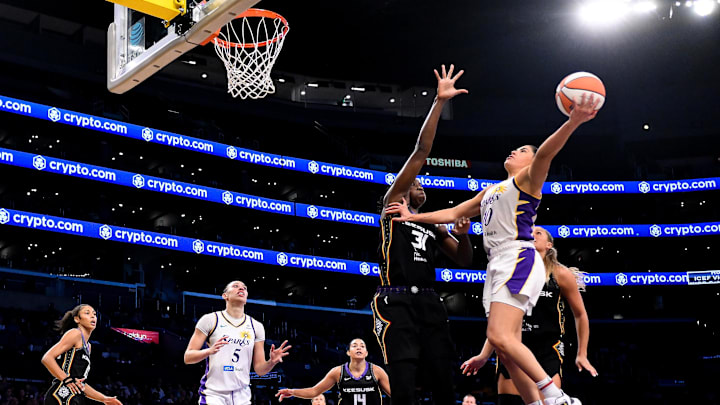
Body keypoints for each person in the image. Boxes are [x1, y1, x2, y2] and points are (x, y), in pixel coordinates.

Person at [386, 94, 600, 405]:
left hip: (518, 256)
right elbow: (454, 212)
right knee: (505, 346)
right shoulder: (491, 190)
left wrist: (573, 121)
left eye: (523, 150)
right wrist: (411, 216)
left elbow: (547, 154)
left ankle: (555, 396)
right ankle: (537, 403)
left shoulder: (528, 180)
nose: (515, 151)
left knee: (499, 337)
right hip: (498, 262)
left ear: (530, 161)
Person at [373, 64, 473, 405]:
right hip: (395, 299)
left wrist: (465, 234)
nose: (420, 183)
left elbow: (463, 259)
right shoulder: (391, 207)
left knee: (445, 382)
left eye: (420, 182)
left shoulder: (430, 221)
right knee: (403, 386)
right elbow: (420, 152)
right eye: (414, 182)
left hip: (430, 300)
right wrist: (439, 103)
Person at [461, 227, 598, 405]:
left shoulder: (560, 274)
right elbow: (500, 324)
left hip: (547, 349)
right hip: (514, 348)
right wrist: (484, 355)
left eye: (539, 233)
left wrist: (582, 354)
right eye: (530, 232)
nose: (532, 234)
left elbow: (580, 315)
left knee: (551, 400)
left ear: (549, 245)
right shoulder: (512, 271)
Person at [184, 280, 291, 405]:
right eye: (236, 286)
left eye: (244, 288)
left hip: (242, 396)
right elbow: (188, 357)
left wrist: (271, 362)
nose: (241, 289)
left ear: (246, 298)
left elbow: (260, 370)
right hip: (214, 395)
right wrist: (209, 351)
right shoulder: (210, 320)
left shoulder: (256, 326)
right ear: (225, 296)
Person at [41, 304, 122, 405]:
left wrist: (104, 399)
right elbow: (47, 358)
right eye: (87, 313)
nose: (93, 316)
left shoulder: (88, 346)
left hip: (74, 396)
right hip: (62, 394)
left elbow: (80, 384)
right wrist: (66, 379)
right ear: (77, 319)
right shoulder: (75, 333)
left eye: (94, 314)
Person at [275, 338, 390, 405]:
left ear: (366, 353)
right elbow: (314, 391)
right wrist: (293, 391)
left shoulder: (376, 371)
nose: (359, 348)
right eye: (354, 346)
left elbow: (396, 394)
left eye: (362, 346)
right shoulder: (338, 372)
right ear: (348, 352)